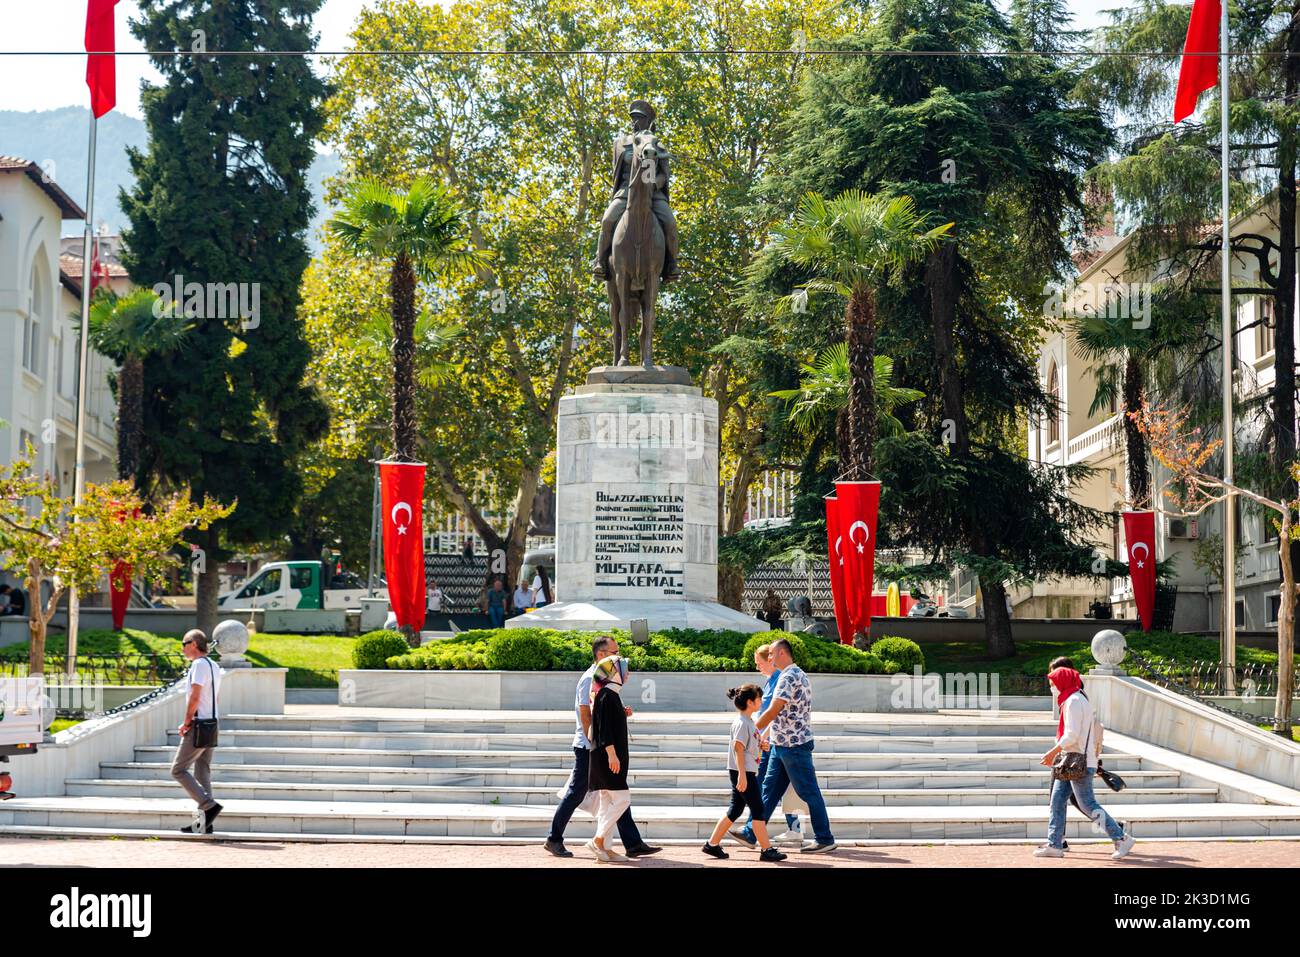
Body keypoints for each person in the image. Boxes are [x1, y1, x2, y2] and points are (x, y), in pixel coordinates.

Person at [544, 635, 660, 859]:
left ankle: (631, 842)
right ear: (600, 655)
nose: (618, 656)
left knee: (613, 790)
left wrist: (618, 712)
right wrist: (595, 743)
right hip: (589, 745)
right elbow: (586, 712)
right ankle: (554, 838)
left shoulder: (604, 677)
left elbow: (601, 710)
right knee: (578, 792)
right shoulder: (590, 678)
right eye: (613, 652)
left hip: (595, 743)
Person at [729, 639, 837, 853]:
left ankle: (824, 837)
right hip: (782, 745)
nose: (768, 658)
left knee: (808, 791)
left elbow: (773, 711)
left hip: (793, 746)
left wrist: (750, 729)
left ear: (781, 653)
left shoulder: (789, 677)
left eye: (770, 654)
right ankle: (751, 832)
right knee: (768, 791)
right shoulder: (798, 674)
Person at [1034, 664, 1135, 860]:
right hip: (1073, 761)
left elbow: (1072, 735)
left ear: (1063, 682)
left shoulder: (1073, 701)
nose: (1052, 687)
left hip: (1077, 761)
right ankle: (1054, 844)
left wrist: (1052, 752)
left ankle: (1121, 837)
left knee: (1087, 803)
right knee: (1057, 801)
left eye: (1053, 683)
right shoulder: (1076, 698)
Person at [591, 99, 679, 283]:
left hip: (652, 194)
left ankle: (672, 265)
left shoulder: (656, 145)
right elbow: (617, 172)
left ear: (649, 122)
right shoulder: (620, 144)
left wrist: (654, 184)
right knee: (607, 220)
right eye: (633, 118)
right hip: (625, 192)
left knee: (670, 223)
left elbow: (664, 175)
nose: (635, 122)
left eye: (639, 118)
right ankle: (600, 262)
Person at [702, 685, 788, 862]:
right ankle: (766, 849)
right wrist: (742, 775)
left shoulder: (748, 721)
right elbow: (738, 749)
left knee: (736, 810)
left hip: (744, 771)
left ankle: (712, 845)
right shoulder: (742, 723)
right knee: (758, 810)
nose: (762, 701)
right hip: (743, 773)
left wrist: (762, 745)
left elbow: (748, 746)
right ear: (750, 702)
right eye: (759, 699)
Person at [748, 644, 802, 844]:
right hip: (768, 742)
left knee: (769, 786)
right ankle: (754, 829)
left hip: (775, 742)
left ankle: (752, 829)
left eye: (760, 662)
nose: (758, 666)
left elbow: (775, 713)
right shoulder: (770, 682)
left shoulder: (782, 679)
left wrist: (757, 734)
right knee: (772, 787)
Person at [172, 629, 223, 835]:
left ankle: (208, 805)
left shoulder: (198, 665)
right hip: (212, 723)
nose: (182, 648)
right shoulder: (214, 665)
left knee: (178, 770)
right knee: (202, 771)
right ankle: (204, 824)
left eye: (184, 643)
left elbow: (195, 696)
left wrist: (186, 723)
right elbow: (213, 698)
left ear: (194, 644)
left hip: (199, 724)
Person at [585, 655, 635, 862]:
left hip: (605, 755)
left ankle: (604, 850)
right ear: (615, 673)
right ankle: (597, 841)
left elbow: (606, 722)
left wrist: (622, 714)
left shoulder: (608, 694)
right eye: (624, 669)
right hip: (608, 757)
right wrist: (612, 756)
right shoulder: (607, 695)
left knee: (607, 802)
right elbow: (604, 730)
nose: (628, 673)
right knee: (623, 799)